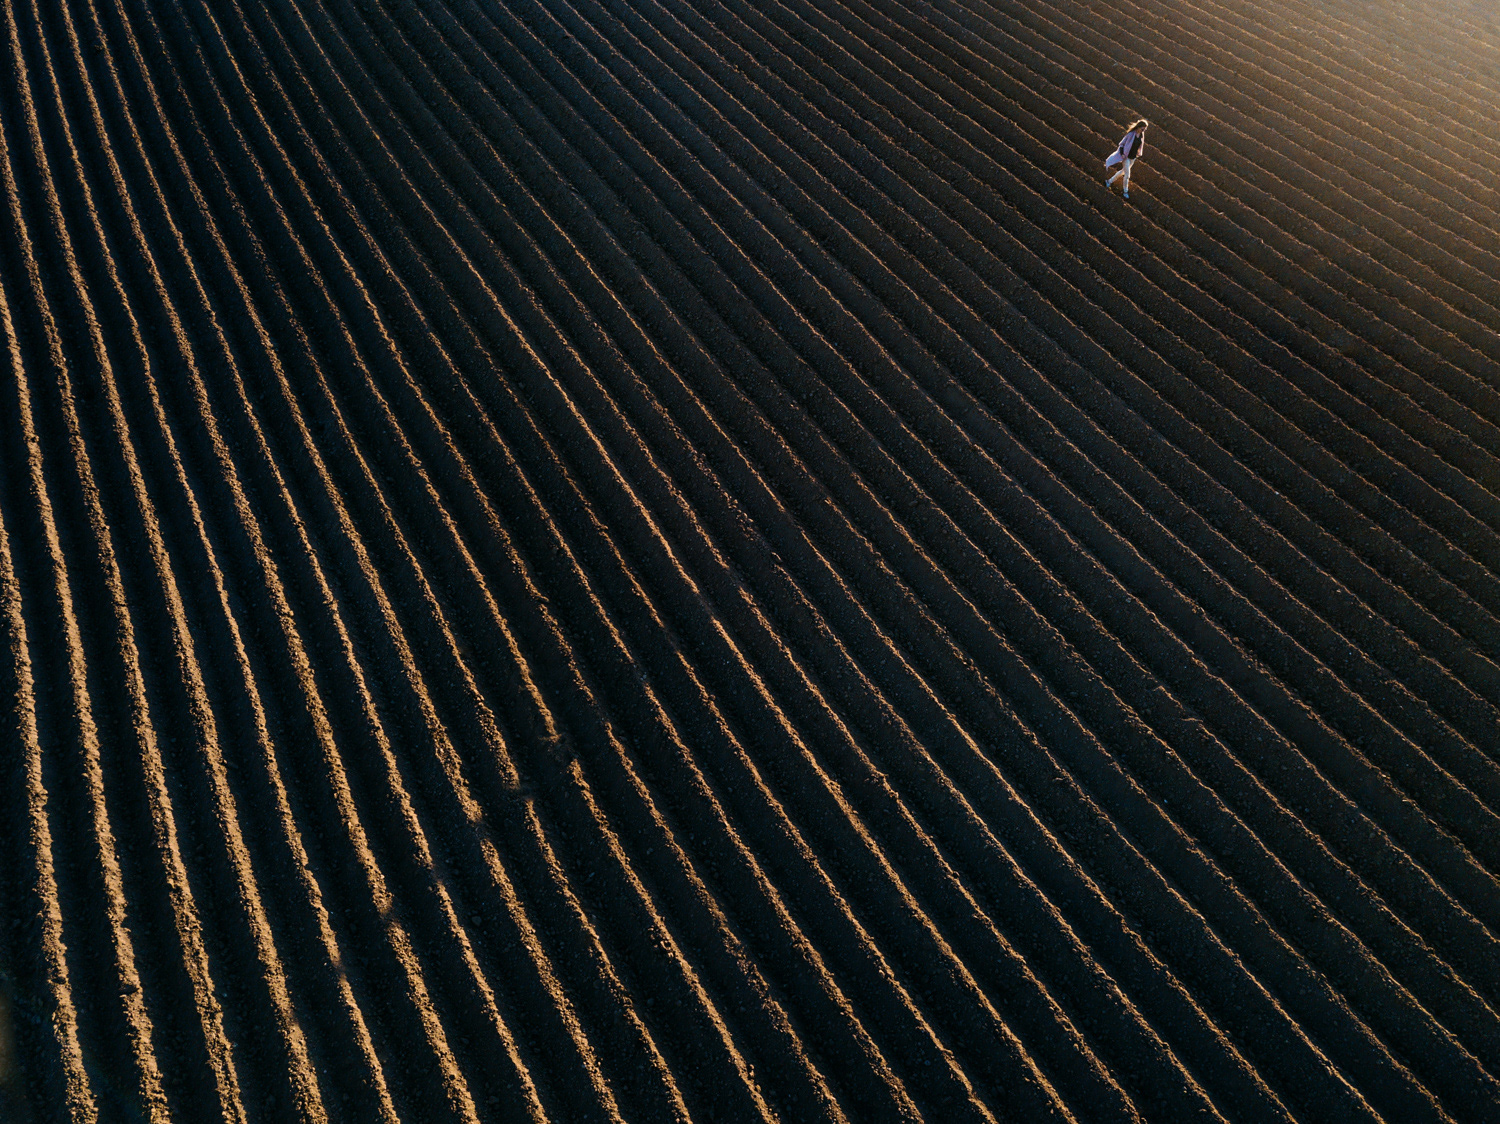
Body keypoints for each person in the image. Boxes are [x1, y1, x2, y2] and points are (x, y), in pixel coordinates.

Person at [1105, 118, 1148, 199]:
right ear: (1139, 127)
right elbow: (1121, 144)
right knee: (1127, 175)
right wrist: (1122, 154)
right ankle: (1125, 192)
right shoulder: (1130, 134)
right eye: (1143, 128)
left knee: (1123, 172)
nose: (1144, 130)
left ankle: (1109, 181)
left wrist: (1138, 154)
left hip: (1133, 158)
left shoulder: (1141, 135)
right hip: (1126, 157)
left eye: (1145, 129)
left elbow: (1140, 146)